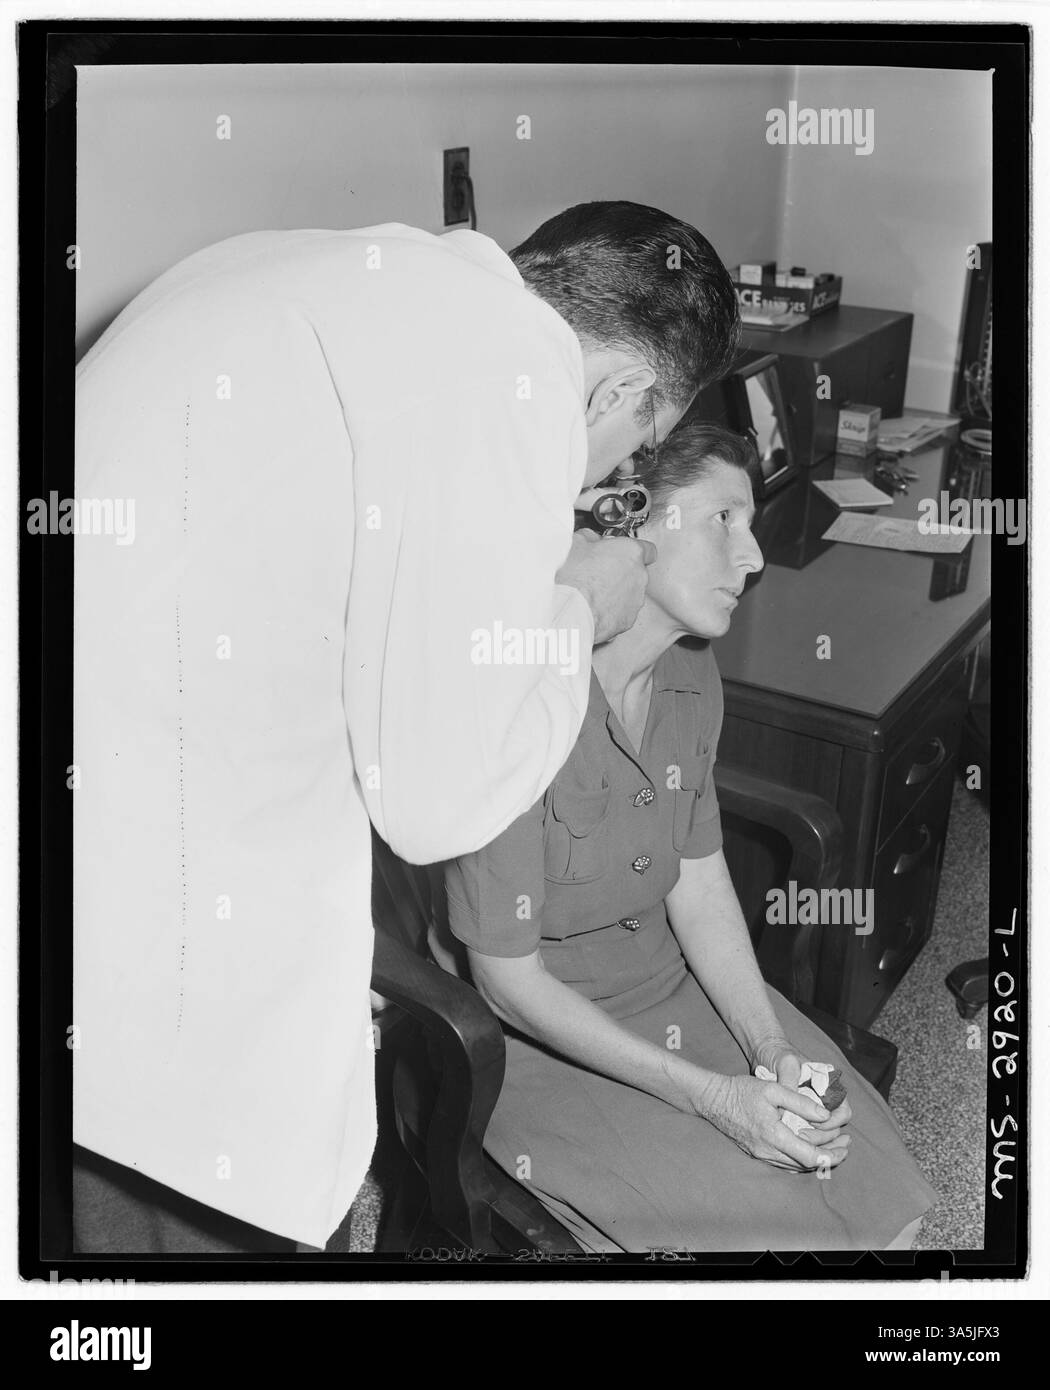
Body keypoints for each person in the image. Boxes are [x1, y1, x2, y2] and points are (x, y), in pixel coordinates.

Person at [72, 202, 741, 1250]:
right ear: (620, 390)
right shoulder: (518, 377)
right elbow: (439, 803)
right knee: (214, 1210)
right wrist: (579, 610)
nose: (606, 474)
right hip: (181, 919)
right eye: (635, 443)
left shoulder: (313, 260)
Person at [441, 421, 938, 1252]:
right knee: (762, 1234)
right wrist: (715, 1098)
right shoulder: (515, 698)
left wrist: (766, 1050)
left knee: (887, 1205)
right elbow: (505, 984)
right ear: (632, 524)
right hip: (537, 1042)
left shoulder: (689, 671)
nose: (754, 557)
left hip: (667, 990)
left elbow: (700, 885)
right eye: (723, 521)